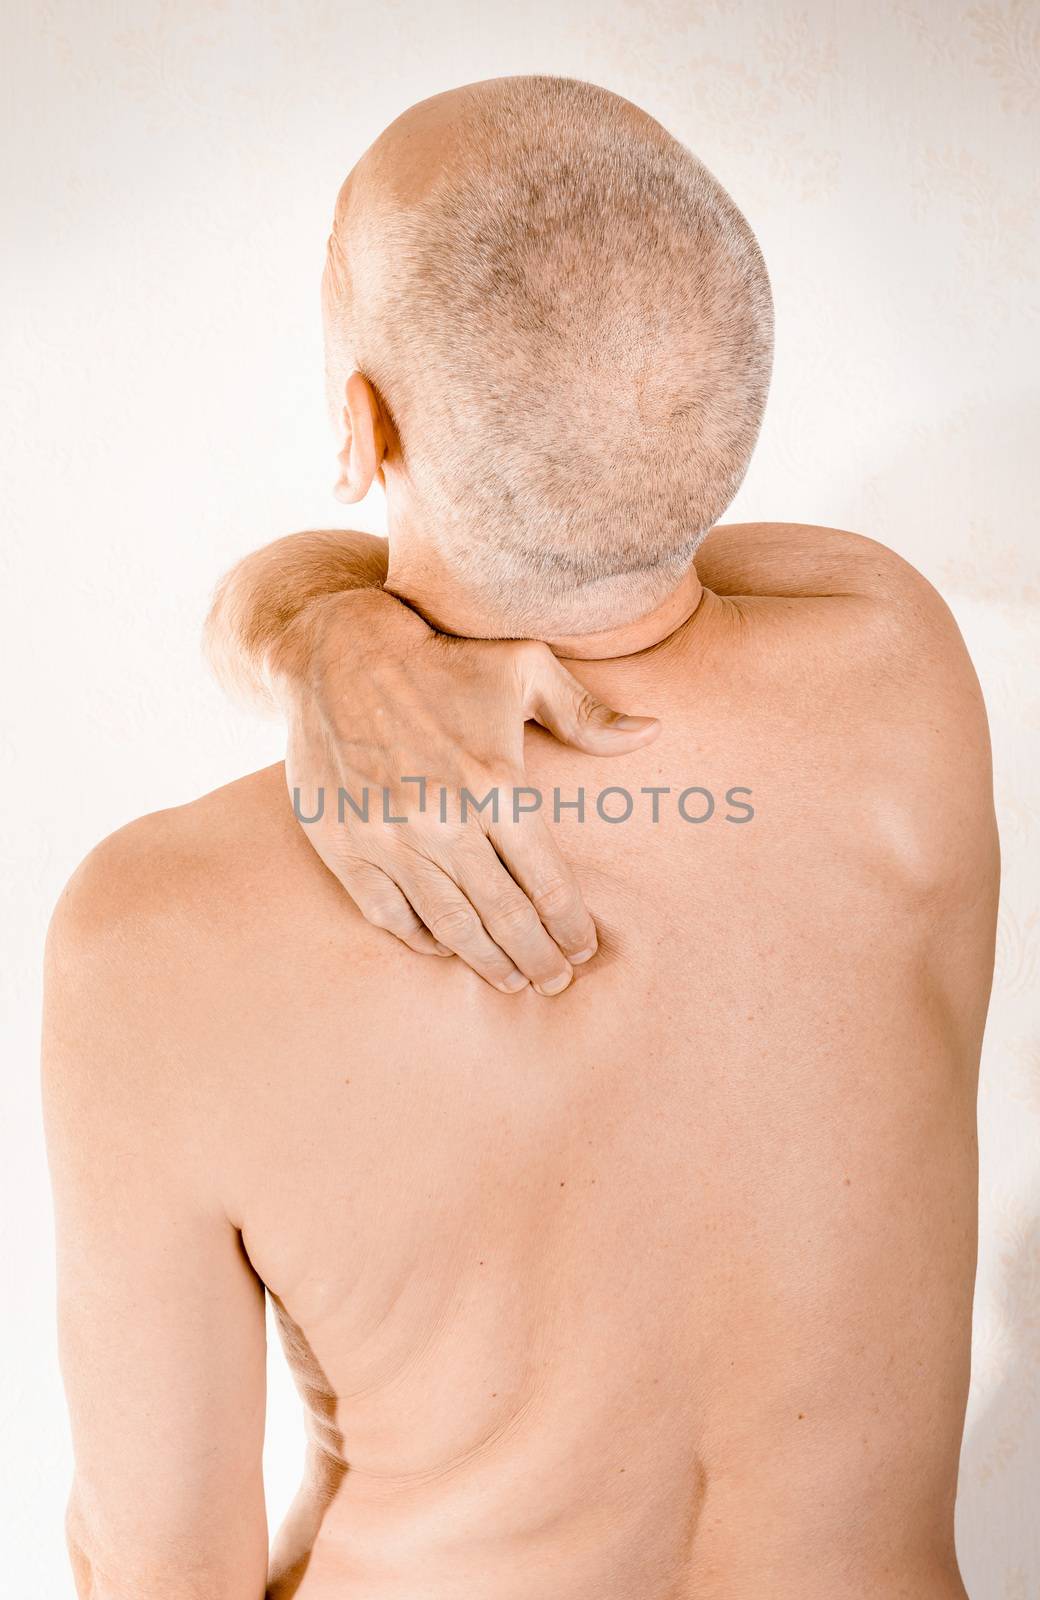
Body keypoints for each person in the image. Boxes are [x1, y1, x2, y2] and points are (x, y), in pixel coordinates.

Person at [43, 76, 998, 1600]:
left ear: (358, 428)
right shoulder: (895, 666)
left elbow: (159, 1567)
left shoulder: (152, 934)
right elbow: (595, 540)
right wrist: (319, 621)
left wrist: (310, 624)